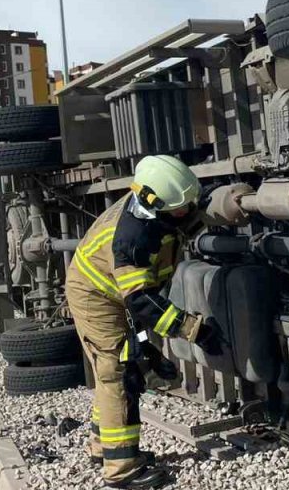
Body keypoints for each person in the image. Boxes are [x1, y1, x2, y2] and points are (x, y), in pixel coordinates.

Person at [65, 154, 222, 488]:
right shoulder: (132, 239)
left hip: (114, 293)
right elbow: (140, 302)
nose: (188, 212)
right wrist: (195, 330)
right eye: (182, 208)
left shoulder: (156, 208)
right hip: (96, 296)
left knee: (123, 366)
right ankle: (121, 469)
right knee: (117, 374)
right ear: (157, 204)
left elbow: (140, 300)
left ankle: (102, 447)